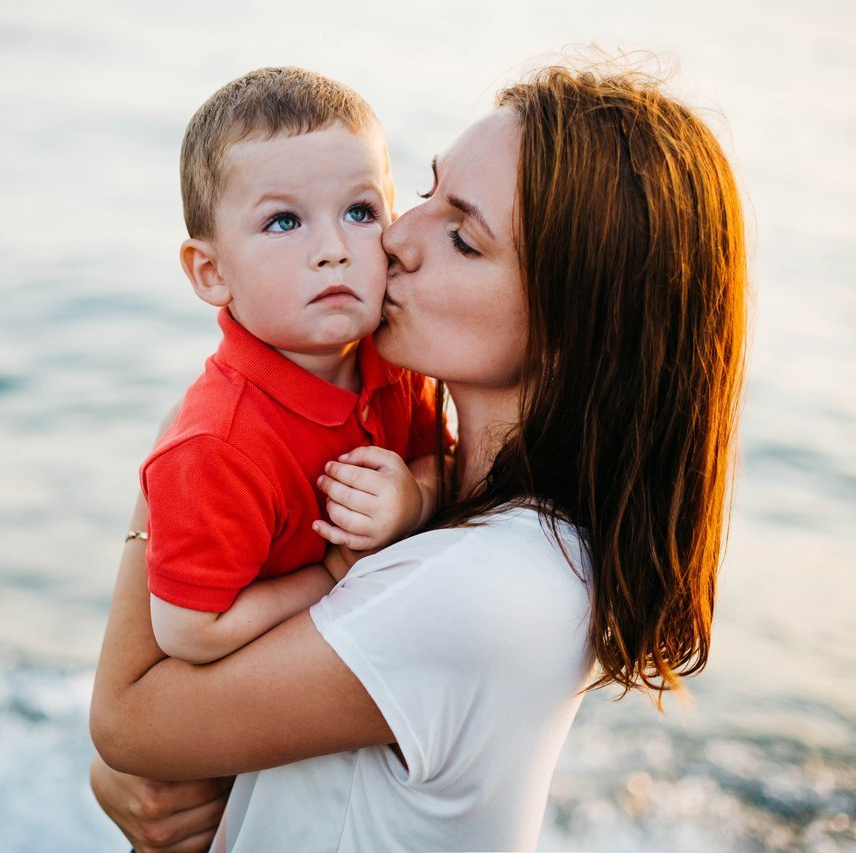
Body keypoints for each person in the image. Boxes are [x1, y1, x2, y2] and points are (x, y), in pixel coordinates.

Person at [91, 62, 748, 851]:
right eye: (426, 193)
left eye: (462, 237)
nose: (393, 239)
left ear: (573, 326)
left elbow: (129, 723)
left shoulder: (487, 588)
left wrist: (183, 449)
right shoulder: (454, 503)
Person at [143, 67, 440, 665]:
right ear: (212, 272)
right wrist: (331, 574)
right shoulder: (214, 449)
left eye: (360, 212)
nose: (333, 249)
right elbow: (189, 632)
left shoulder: (402, 361)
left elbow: (446, 461)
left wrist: (415, 501)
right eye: (284, 221)